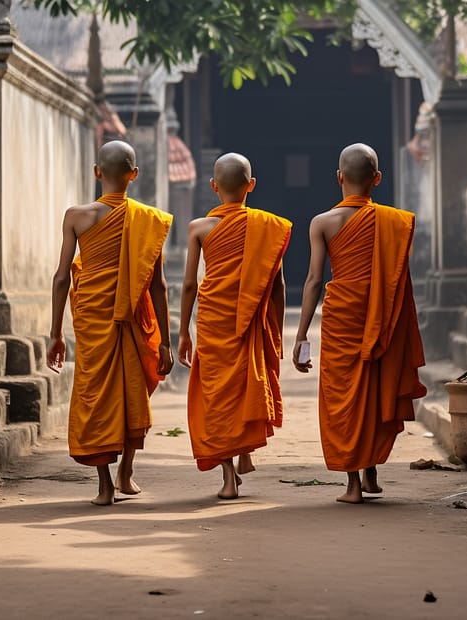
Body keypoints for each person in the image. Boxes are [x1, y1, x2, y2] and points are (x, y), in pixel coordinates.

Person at [292, 143, 426, 504]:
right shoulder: (392, 222)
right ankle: (371, 473)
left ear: (338, 177)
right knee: (375, 387)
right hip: (380, 315)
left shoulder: (322, 223)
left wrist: (302, 335)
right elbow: (394, 276)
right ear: (377, 179)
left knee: (345, 397)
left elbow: (314, 281)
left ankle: (353, 484)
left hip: (342, 318)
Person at [47, 140, 174, 506]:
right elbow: (158, 284)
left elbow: (60, 278)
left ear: (96, 172)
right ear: (134, 175)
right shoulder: (149, 220)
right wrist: (165, 341)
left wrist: (56, 334)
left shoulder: (76, 216)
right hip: (132, 316)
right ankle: (127, 473)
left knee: (97, 393)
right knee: (131, 390)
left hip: (92, 317)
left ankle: (105, 486)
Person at [178, 153, 291, 499]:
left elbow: (188, 285)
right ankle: (244, 452)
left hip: (214, 319)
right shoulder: (267, 227)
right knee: (246, 383)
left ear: (213, 187)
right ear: (251, 186)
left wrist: (183, 330)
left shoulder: (198, 228)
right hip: (251, 318)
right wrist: (277, 328)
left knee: (218, 395)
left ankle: (228, 477)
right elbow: (278, 285)